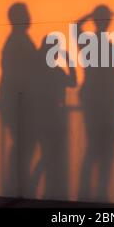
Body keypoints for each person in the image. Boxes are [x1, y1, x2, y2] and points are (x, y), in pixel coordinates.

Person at [76, 5, 114, 202]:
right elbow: (75, 27)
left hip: (98, 98)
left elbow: (76, 27)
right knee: (102, 147)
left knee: (97, 146)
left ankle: (90, 191)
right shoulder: (101, 44)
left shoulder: (94, 43)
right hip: (103, 100)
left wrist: (90, 15)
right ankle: (96, 191)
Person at [0, 3, 37, 196]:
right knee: (23, 146)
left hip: (16, 104)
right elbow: (21, 75)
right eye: (27, 14)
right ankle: (18, 187)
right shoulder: (18, 42)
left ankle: (17, 186)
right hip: (19, 106)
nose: (30, 17)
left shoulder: (17, 41)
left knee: (22, 147)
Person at [30, 36, 77, 199]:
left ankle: (39, 186)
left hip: (41, 118)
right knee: (51, 154)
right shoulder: (56, 72)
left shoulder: (37, 71)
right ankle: (38, 185)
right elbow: (73, 82)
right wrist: (70, 62)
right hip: (54, 118)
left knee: (48, 153)